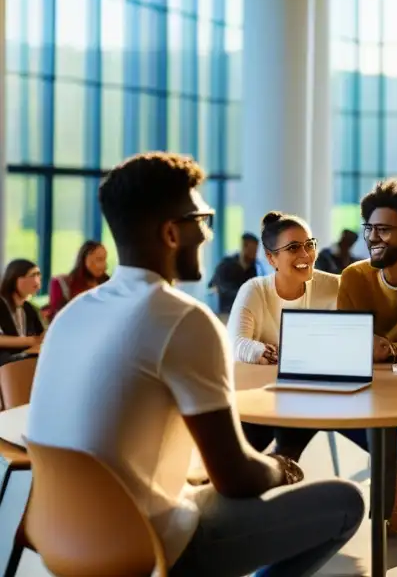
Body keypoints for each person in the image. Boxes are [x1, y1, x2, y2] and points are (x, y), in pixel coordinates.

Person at [25, 151, 364, 577]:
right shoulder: (183, 318)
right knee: (346, 502)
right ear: (171, 233)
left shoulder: (74, 313)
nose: (206, 234)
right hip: (157, 543)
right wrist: (281, 467)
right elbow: (236, 477)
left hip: (64, 539)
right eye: (201, 218)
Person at [281, 178, 397, 534]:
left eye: (384, 230)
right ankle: (280, 467)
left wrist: (390, 349)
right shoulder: (354, 277)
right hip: (366, 392)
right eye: (369, 228)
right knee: (293, 402)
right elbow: (349, 345)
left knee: (391, 524)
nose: (372, 237)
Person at [227, 213, 340, 366]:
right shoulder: (254, 290)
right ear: (271, 258)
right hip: (263, 385)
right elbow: (235, 344)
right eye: (293, 248)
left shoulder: (334, 286)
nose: (306, 255)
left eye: (309, 245)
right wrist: (263, 352)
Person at [46, 240, 109, 320]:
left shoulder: (108, 284)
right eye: (99, 259)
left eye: (105, 259)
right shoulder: (61, 283)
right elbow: (57, 318)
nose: (105, 266)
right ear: (84, 259)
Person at [0, 259, 45, 364]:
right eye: (33, 275)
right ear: (15, 278)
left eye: (39, 275)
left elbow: (41, 336)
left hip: (21, 360)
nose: (37, 281)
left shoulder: (29, 308)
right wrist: (29, 341)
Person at [208, 233, 260, 315]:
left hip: (244, 314)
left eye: (256, 250)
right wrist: (244, 294)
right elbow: (217, 285)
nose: (255, 254)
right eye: (252, 250)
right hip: (225, 313)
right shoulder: (226, 264)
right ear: (244, 246)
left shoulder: (253, 268)